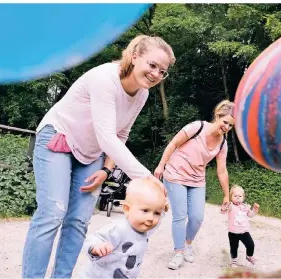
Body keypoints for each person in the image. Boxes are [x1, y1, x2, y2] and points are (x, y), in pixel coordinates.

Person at [21, 35, 176, 278]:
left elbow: (120, 133)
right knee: (53, 213)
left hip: (91, 152)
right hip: (59, 136)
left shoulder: (142, 94)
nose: (156, 74)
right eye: (152, 65)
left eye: (162, 71)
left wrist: (106, 170)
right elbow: (107, 137)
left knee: (79, 222)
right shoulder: (105, 78)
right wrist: (146, 178)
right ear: (135, 57)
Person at [153, 100, 234, 270]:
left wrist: (226, 195)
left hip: (197, 179)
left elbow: (222, 171)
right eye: (225, 122)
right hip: (176, 174)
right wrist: (161, 165)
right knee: (180, 216)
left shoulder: (223, 144)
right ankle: (178, 252)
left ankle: (187, 244)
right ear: (217, 116)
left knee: (197, 218)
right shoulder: (197, 127)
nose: (226, 127)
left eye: (230, 126)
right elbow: (173, 143)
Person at [82, 178, 168, 279]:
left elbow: (156, 223)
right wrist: (96, 247)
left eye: (156, 213)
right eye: (145, 210)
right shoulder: (119, 228)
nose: (151, 218)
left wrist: (163, 211)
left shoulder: (144, 229)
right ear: (127, 209)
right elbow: (93, 239)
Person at [220, 185, 260, 268]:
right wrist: (224, 207)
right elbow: (223, 212)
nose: (238, 198)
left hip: (244, 232)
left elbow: (251, 215)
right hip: (233, 232)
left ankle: (249, 256)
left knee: (251, 245)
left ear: (243, 197)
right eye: (235, 196)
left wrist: (255, 210)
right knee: (234, 247)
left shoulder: (245, 207)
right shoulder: (230, 205)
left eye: (240, 196)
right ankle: (234, 260)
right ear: (231, 197)